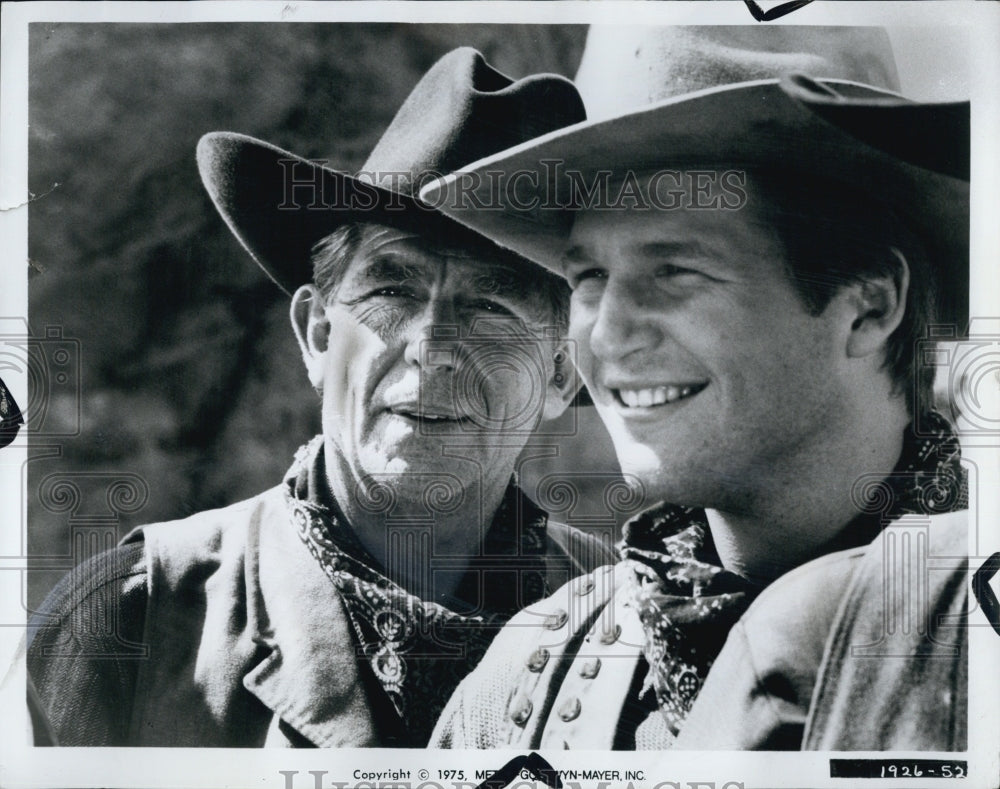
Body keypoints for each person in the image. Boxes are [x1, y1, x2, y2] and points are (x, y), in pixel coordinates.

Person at [26, 48, 615, 748]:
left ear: (560, 373)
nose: (433, 344)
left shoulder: (624, 626)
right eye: (392, 290)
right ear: (316, 333)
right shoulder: (132, 618)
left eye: (492, 305)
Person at [420, 27, 971, 750]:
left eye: (675, 270)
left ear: (869, 304)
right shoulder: (523, 689)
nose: (606, 335)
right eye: (588, 278)